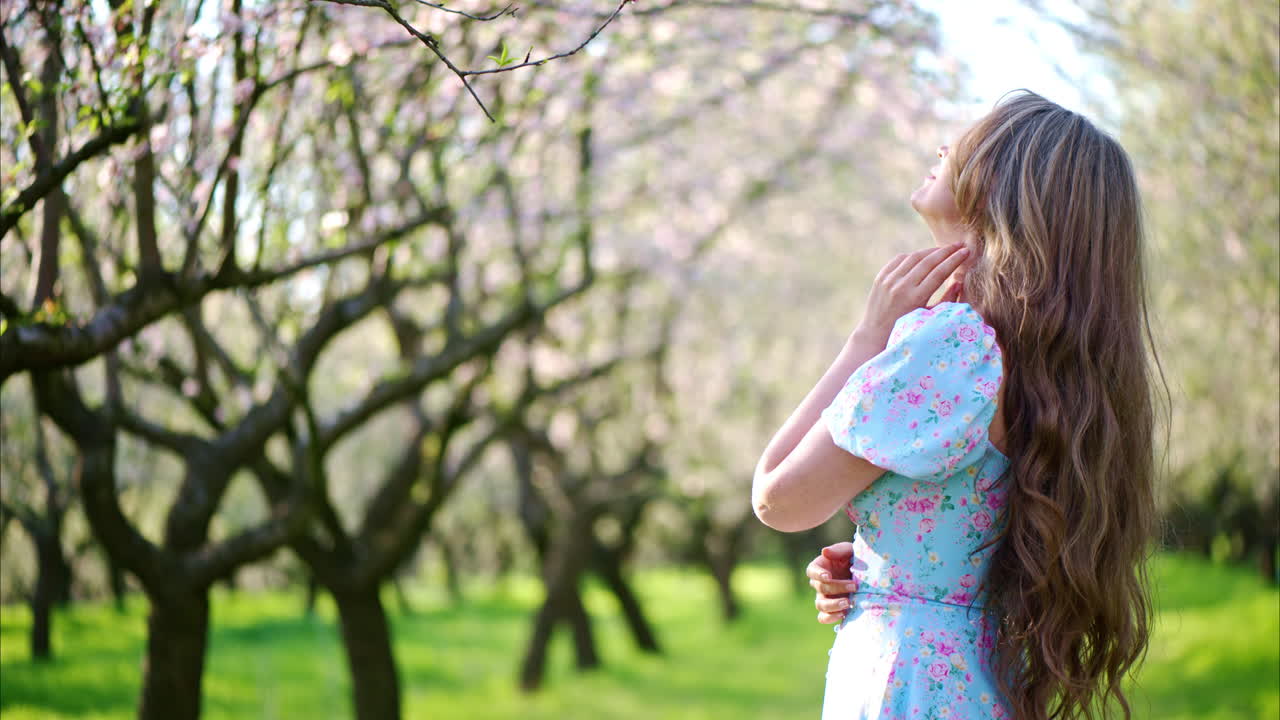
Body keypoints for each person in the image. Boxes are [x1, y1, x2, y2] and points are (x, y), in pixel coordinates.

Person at [751, 90, 1162, 720]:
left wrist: (867, 337)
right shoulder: (1023, 355)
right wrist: (881, 565)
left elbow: (777, 499)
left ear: (1005, 190)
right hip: (970, 675)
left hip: (908, 684)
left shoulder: (951, 345)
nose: (944, 146)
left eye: (969, 143)